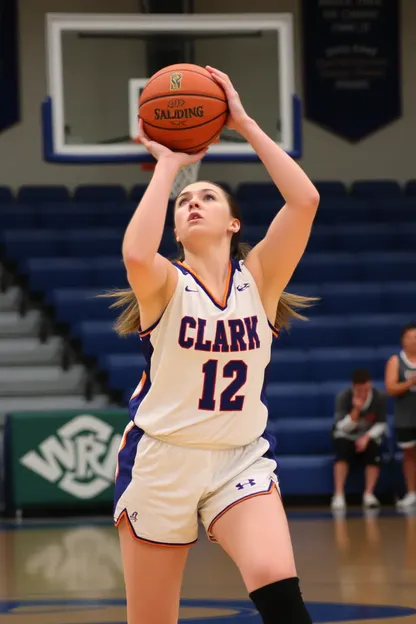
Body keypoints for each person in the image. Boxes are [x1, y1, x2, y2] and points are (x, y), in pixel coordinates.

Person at [108, 65, 320, 624]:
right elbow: (134, 253)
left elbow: (304, 202)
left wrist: (244, 122)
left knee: (280, 589)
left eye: (207, 197)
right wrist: (170, 166)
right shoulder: (164, 283)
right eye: (184, 203)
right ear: (175, 230)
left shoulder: (262, 280)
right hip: (161, 459)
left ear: (233, 223)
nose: (193, 203)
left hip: (238, 458)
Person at [330, 369, 387, 512]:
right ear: (354, 387)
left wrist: (366, 438)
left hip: (367, 436)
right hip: (346, 435)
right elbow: (341, 427)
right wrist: (355, 410)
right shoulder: (343, 397)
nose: (363, 393)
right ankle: (338, 494)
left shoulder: (379, 396)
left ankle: (369, 494)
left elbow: (381, 424)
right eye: (359, 390)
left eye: (366, 389)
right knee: (341, 449)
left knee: (375, 449)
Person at [385, 323, 416, 509]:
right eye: (410, 337)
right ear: (403, 340)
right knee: (409, 454)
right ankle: (412, 492)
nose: (413, 341)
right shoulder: (396, 361)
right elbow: (390, 388)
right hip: (406, 416)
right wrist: (410, 382)